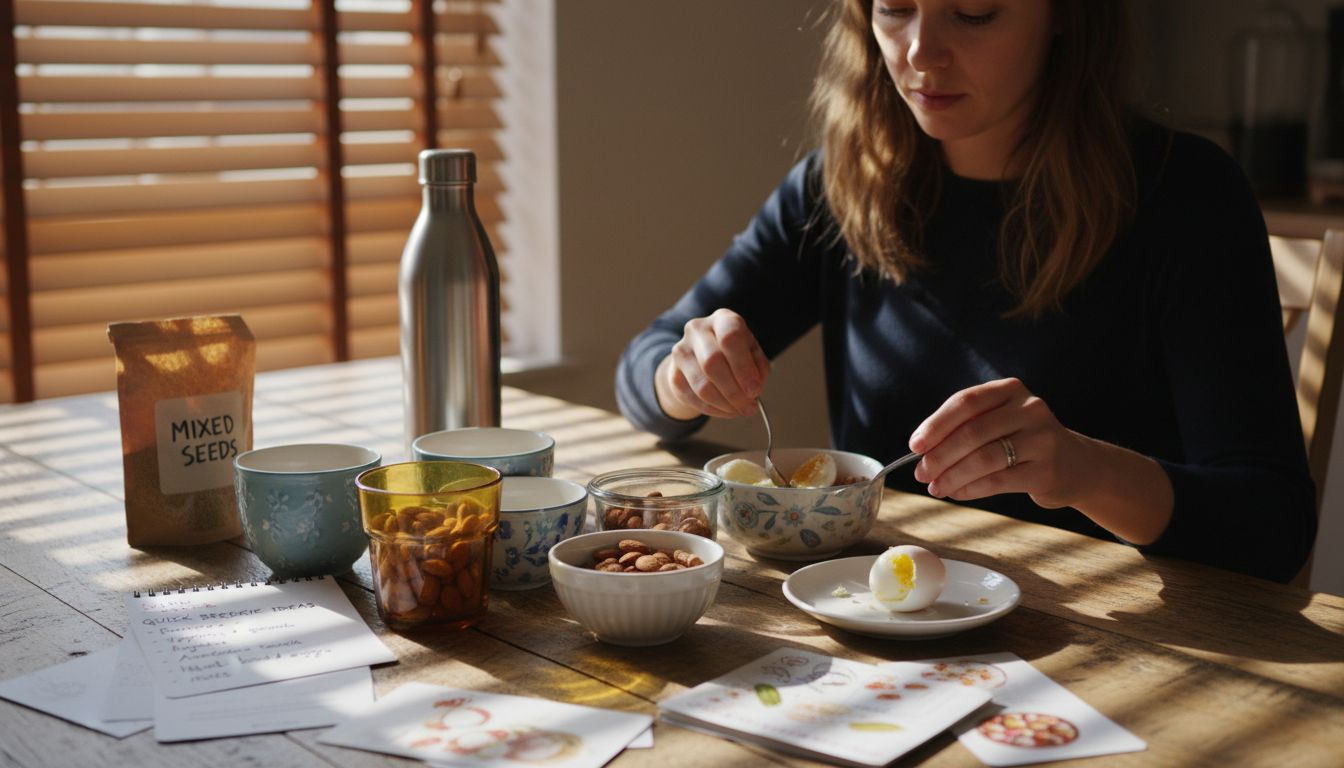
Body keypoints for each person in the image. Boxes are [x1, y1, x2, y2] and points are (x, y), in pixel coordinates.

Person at [615, 0, 1319, 583]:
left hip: (1122, 639)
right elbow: (643, 370)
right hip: (874, 621)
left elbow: (1274, 527)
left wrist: (1085, 470)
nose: (921, 51)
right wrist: (685, 376)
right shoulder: (842, 186)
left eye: (975, 12)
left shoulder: (1184, 196)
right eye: (894, 8)